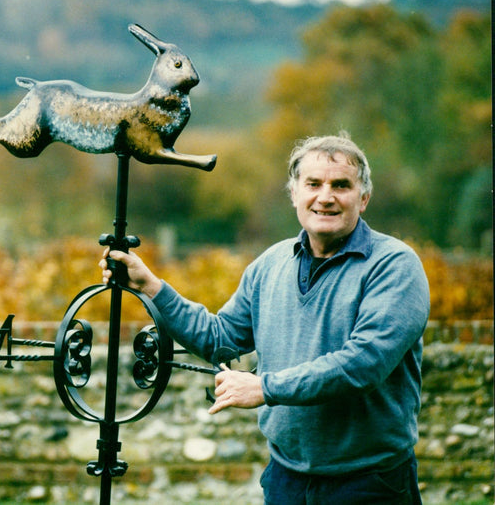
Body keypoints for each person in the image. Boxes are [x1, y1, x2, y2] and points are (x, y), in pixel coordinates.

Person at [101, 132, 430, 504]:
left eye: (341, 185)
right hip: (285, 479)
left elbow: (363, 365)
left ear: (364, 198)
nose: (326, 196)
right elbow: (219, 337)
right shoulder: (270, 264)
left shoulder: (394, 265)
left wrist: (264, 387)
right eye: (313, 184)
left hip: (370, 484)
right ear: (294, 194)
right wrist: (153, 287)